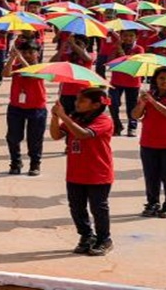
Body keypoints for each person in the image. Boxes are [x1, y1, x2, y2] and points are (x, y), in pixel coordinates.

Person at [53, 87, 115, 256]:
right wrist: (55, 116)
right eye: (77, 99)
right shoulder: (75, 118)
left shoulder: (104, 120)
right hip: (75, 171)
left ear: (95, 105)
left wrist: (64, 116)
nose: (77, 103)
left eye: (82, 100)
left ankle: (104, 238)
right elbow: (56, 135)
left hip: (98, 172)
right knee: (76, 207)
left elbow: (83, 135)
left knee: (98, 208)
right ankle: (86, 235)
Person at [132, 67, 166, 218]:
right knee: (151, 175)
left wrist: (153, 102)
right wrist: (142, 103)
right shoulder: (148, 95)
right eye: (161, 78)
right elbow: (135, 115)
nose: (165, 81)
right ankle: (152, 202)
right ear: (155, 80)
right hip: (149, 141)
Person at [6, 43, 49, 176]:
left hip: (36, 108)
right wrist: (12, 59)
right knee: (13, 137)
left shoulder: (41, 68)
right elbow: (6, 73)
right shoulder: (17, 67)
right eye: (24, 53)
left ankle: (35, 163)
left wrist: (20, 57)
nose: (27, 55)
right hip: (16, 107)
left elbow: (31, 74)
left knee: (35, 138)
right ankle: (15, 161)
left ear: (38, 53)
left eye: (31, 52)